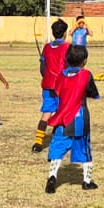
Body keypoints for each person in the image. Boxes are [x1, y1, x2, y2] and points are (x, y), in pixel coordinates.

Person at [45, 43, 102, 192]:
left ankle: (52, 176)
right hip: (79, 118)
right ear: (84, 61)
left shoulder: (61, 75)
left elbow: (56, 92)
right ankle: (87, 181)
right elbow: (93, 93)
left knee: (57, 148)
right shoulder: (86, 74)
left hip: (61, 118)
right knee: (84, 148)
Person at [33, 19, 70, 153]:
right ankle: (60, 140)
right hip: (62, 86)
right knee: (63, 113)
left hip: (48, 85)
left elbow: (42, 68)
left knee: (46, 113)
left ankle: (38, 142)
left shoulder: (47, 47)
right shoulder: (67, 47)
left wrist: (47, 77)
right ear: (65, 33)